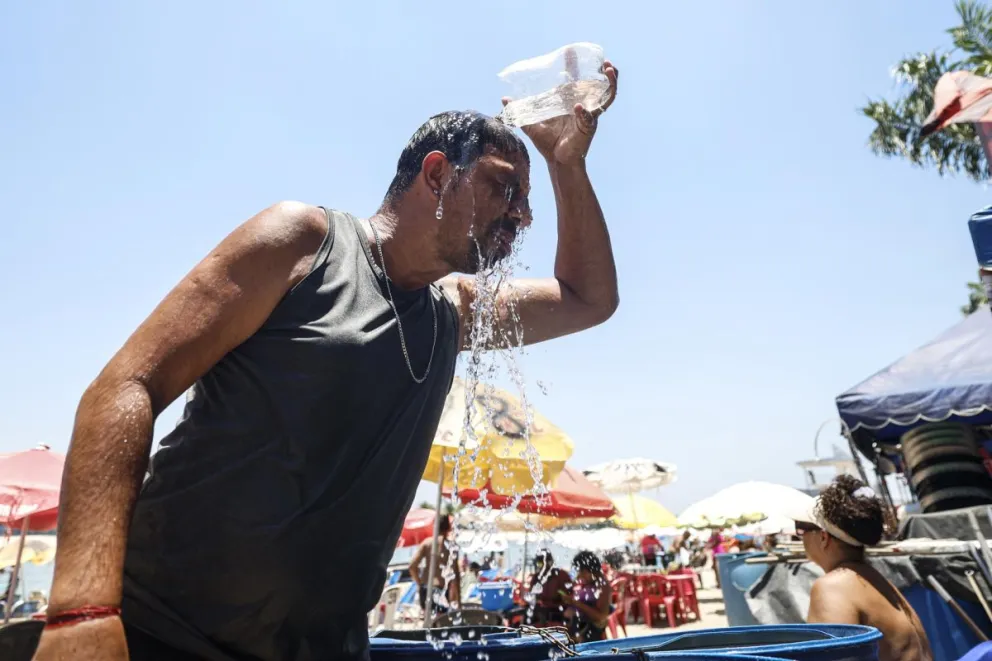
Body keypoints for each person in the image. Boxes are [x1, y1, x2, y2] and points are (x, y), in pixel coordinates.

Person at [32, 61, 620, 661]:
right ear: (437, 175)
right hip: (158, 630)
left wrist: (565, 164)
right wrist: (83, 610)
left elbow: (589, 299)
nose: (522, 214)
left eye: (525, 198)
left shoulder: (455, 309)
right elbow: (127, 385)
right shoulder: (304, 244)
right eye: (505, 187)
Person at [793, 475, 932, 661]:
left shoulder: (833, 587)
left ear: (823, 537)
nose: (801, 537)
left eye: (802, 528)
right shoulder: (877, 583)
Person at [409, 515, 460, 617]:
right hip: (441, 589)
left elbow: (412, 566)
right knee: (439, 624)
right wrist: (458, 600)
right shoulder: (451, 546)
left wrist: (420, 583)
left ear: (434, 526)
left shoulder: (427, 543)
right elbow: (455, 576)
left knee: (428, 621)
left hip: (425, 588)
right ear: (448, 528)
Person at [562, 551, 611, 643]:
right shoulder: (589, 583)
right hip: (578, 632)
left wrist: (575, 603)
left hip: (589, 637)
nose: (579, 575)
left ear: (591, 569)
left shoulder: (603, 586)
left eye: (581, 571)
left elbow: (601, 617)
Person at [522, 549, 572, 625]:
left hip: (559, 615)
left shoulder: (562, 575)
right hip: (541, 614)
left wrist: (561, 596)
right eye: (539, 564)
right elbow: (531, 597)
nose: (543, 567)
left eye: (547, 563)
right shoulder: (536, 578)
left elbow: (570, 597)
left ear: (551, 562)